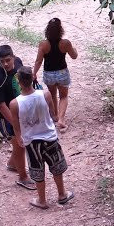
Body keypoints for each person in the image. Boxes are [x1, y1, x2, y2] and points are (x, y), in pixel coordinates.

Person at [10, 66, 74, 209]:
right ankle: (62, 194)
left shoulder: (14, 104)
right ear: (33, 78)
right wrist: (56, 120)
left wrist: (19, 138)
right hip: (49, 137)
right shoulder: (45, 94)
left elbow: (15, 125)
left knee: (37, 169)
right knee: (56, 166)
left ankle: (42, 200)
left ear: (19, 82)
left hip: (31, 142)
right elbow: (53, 115)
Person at [0, 45, 35, 191]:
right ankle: (23, 177)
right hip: (5, 117)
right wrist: (16, 124)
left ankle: (12, 164)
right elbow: (1, 105)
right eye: (2, 61)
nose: (5, 64)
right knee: (20, 144)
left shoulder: (19, 63)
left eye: (8, 60)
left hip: (20, 111)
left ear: (13, 57)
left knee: (20, 144)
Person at [32, 18, 78, 131]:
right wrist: (74, 49)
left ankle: (55, 116)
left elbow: (38, 61)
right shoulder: (65, 43)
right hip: (62, 73)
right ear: (61, 30)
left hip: (49, 74)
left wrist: (34, 73)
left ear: (47, 30)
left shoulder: (43, 44)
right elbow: (74, 56)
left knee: (52, 95)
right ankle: (61, 119)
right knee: (63, 96)